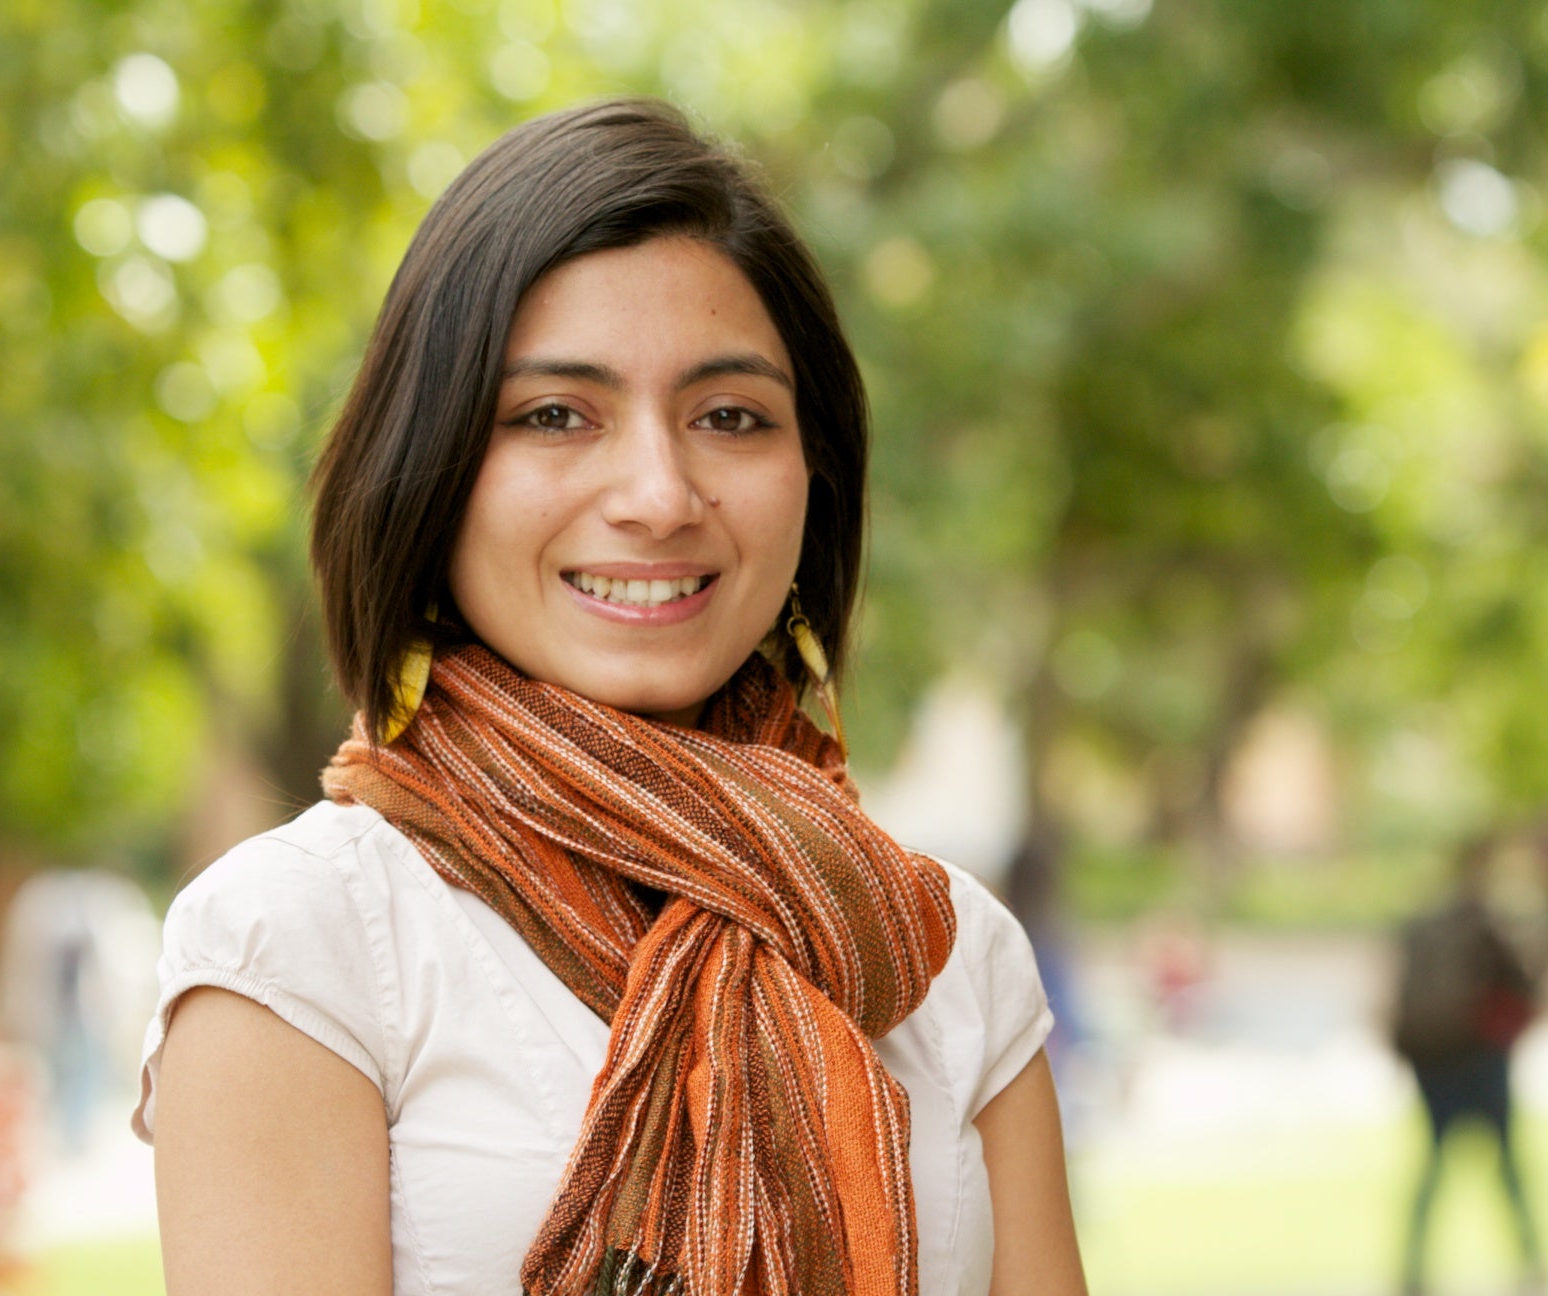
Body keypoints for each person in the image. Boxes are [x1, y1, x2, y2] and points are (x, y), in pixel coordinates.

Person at [133, 99, 1087, 1296]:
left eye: (730, 417)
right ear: (429, 473)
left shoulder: (947, 952)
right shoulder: (300, 943)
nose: (657, 493)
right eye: (554, 416)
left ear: (814, 481)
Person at [1391, 834, 1541, 1295]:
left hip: (1432, 1062)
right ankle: (1530, 1262)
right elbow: (1524, 989)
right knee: (1508, 1168)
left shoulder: (1421, 927)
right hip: (1478, 1059)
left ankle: (1414, 1268)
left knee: (1434, 1168)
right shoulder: (1485, 927)